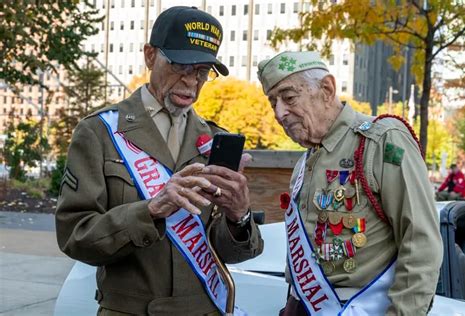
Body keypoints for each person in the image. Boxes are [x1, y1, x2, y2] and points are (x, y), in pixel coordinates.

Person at [56, 6, 263, 316]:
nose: (192, 81)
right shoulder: (101, 131)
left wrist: (239, 216)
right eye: (181, 65)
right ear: (150, 55)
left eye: (203, 70)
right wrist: (152, 208)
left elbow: (231, 253)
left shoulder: (215, 140)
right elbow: (75, 236)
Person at [257, 51, 443, 315]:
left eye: (288, 97)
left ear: (327, 89)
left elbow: (421, 243)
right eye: (272, 102)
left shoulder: (381, 141)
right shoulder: (305, 162)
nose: (279, 113)